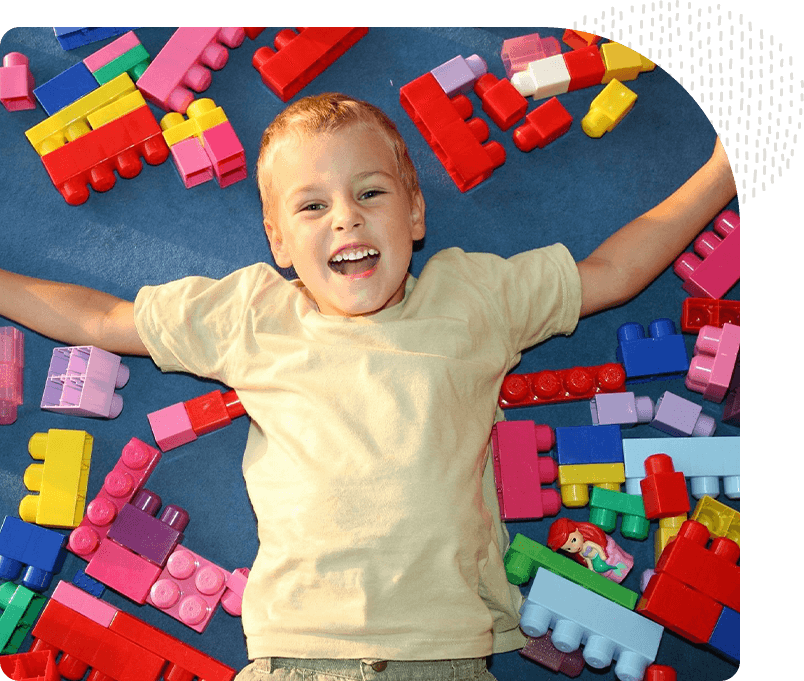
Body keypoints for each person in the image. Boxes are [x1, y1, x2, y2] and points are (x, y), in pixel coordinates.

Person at [0, 92, 736, 681]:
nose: (346, 215)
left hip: (445, 652)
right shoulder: (250, 313)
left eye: (370, 192)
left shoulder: (474, 296)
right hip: (294, 652)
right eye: (312, 205)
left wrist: (723, 175)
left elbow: (612, 274)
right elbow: (101, 317)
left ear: (415, 212)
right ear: (278, 240)